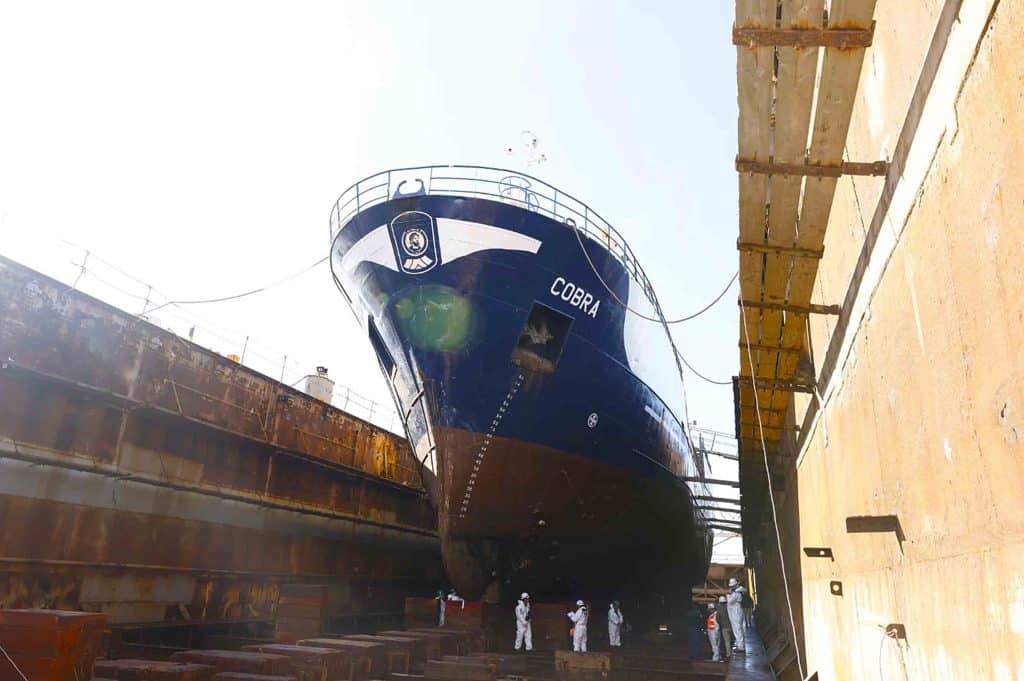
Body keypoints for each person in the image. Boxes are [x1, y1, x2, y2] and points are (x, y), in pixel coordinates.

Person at [726, 578, 746, 654]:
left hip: (735, 612)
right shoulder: (738, 591)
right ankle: (739, 644)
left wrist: (728, 594)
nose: (731, 587)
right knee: (738, 628)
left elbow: (730, 601)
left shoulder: (736, 593)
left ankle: (740, 646)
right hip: (736, 611)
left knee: (737, 629)